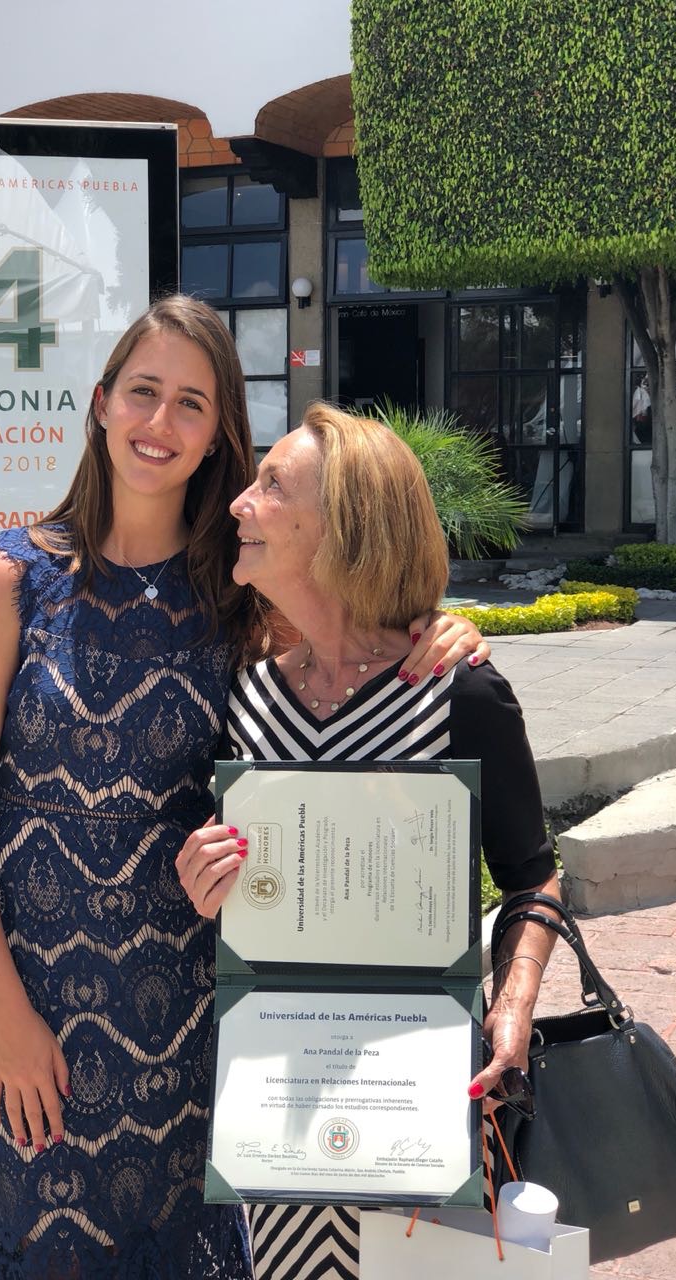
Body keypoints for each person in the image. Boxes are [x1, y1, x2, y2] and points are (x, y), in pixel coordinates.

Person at [0, 299, 489, 1280]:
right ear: (102, 402)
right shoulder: (11, 577)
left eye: (191, 402)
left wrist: (442, 630)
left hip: (185, 992)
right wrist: (6, 1016)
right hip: (29, 986)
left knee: (182, 1245)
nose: (160, 421)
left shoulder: (242, 587)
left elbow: (352, 666)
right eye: (143, 391)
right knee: (41, 1238)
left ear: (219, 431)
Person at [176, 402, 562, 1280]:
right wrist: (202, 880)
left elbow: (533, 878)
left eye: (273, 485)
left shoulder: (458, 694)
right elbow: (240, 892)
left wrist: (513, 1007)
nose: (238, 502)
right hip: (281, 1100)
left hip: (416, 1100)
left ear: (345, 526)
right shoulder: (246, 700)